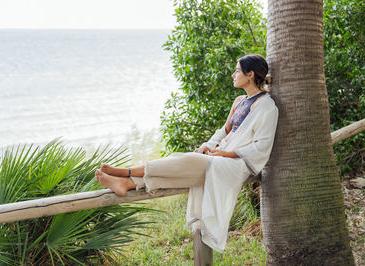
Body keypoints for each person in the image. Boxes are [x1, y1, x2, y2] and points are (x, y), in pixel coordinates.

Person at [95, 54, 278, 253]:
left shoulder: (267, 106)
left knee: (184, 159)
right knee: (181, 159)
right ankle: (129, 183)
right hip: (217, 155)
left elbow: (261, 146)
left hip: (234, 163)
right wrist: (206, 147)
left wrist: (226, 155)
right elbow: (224, 131)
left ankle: (126, 173)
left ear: (250, 74)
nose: (233, 74)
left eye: (237, 70)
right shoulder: (239, 101)